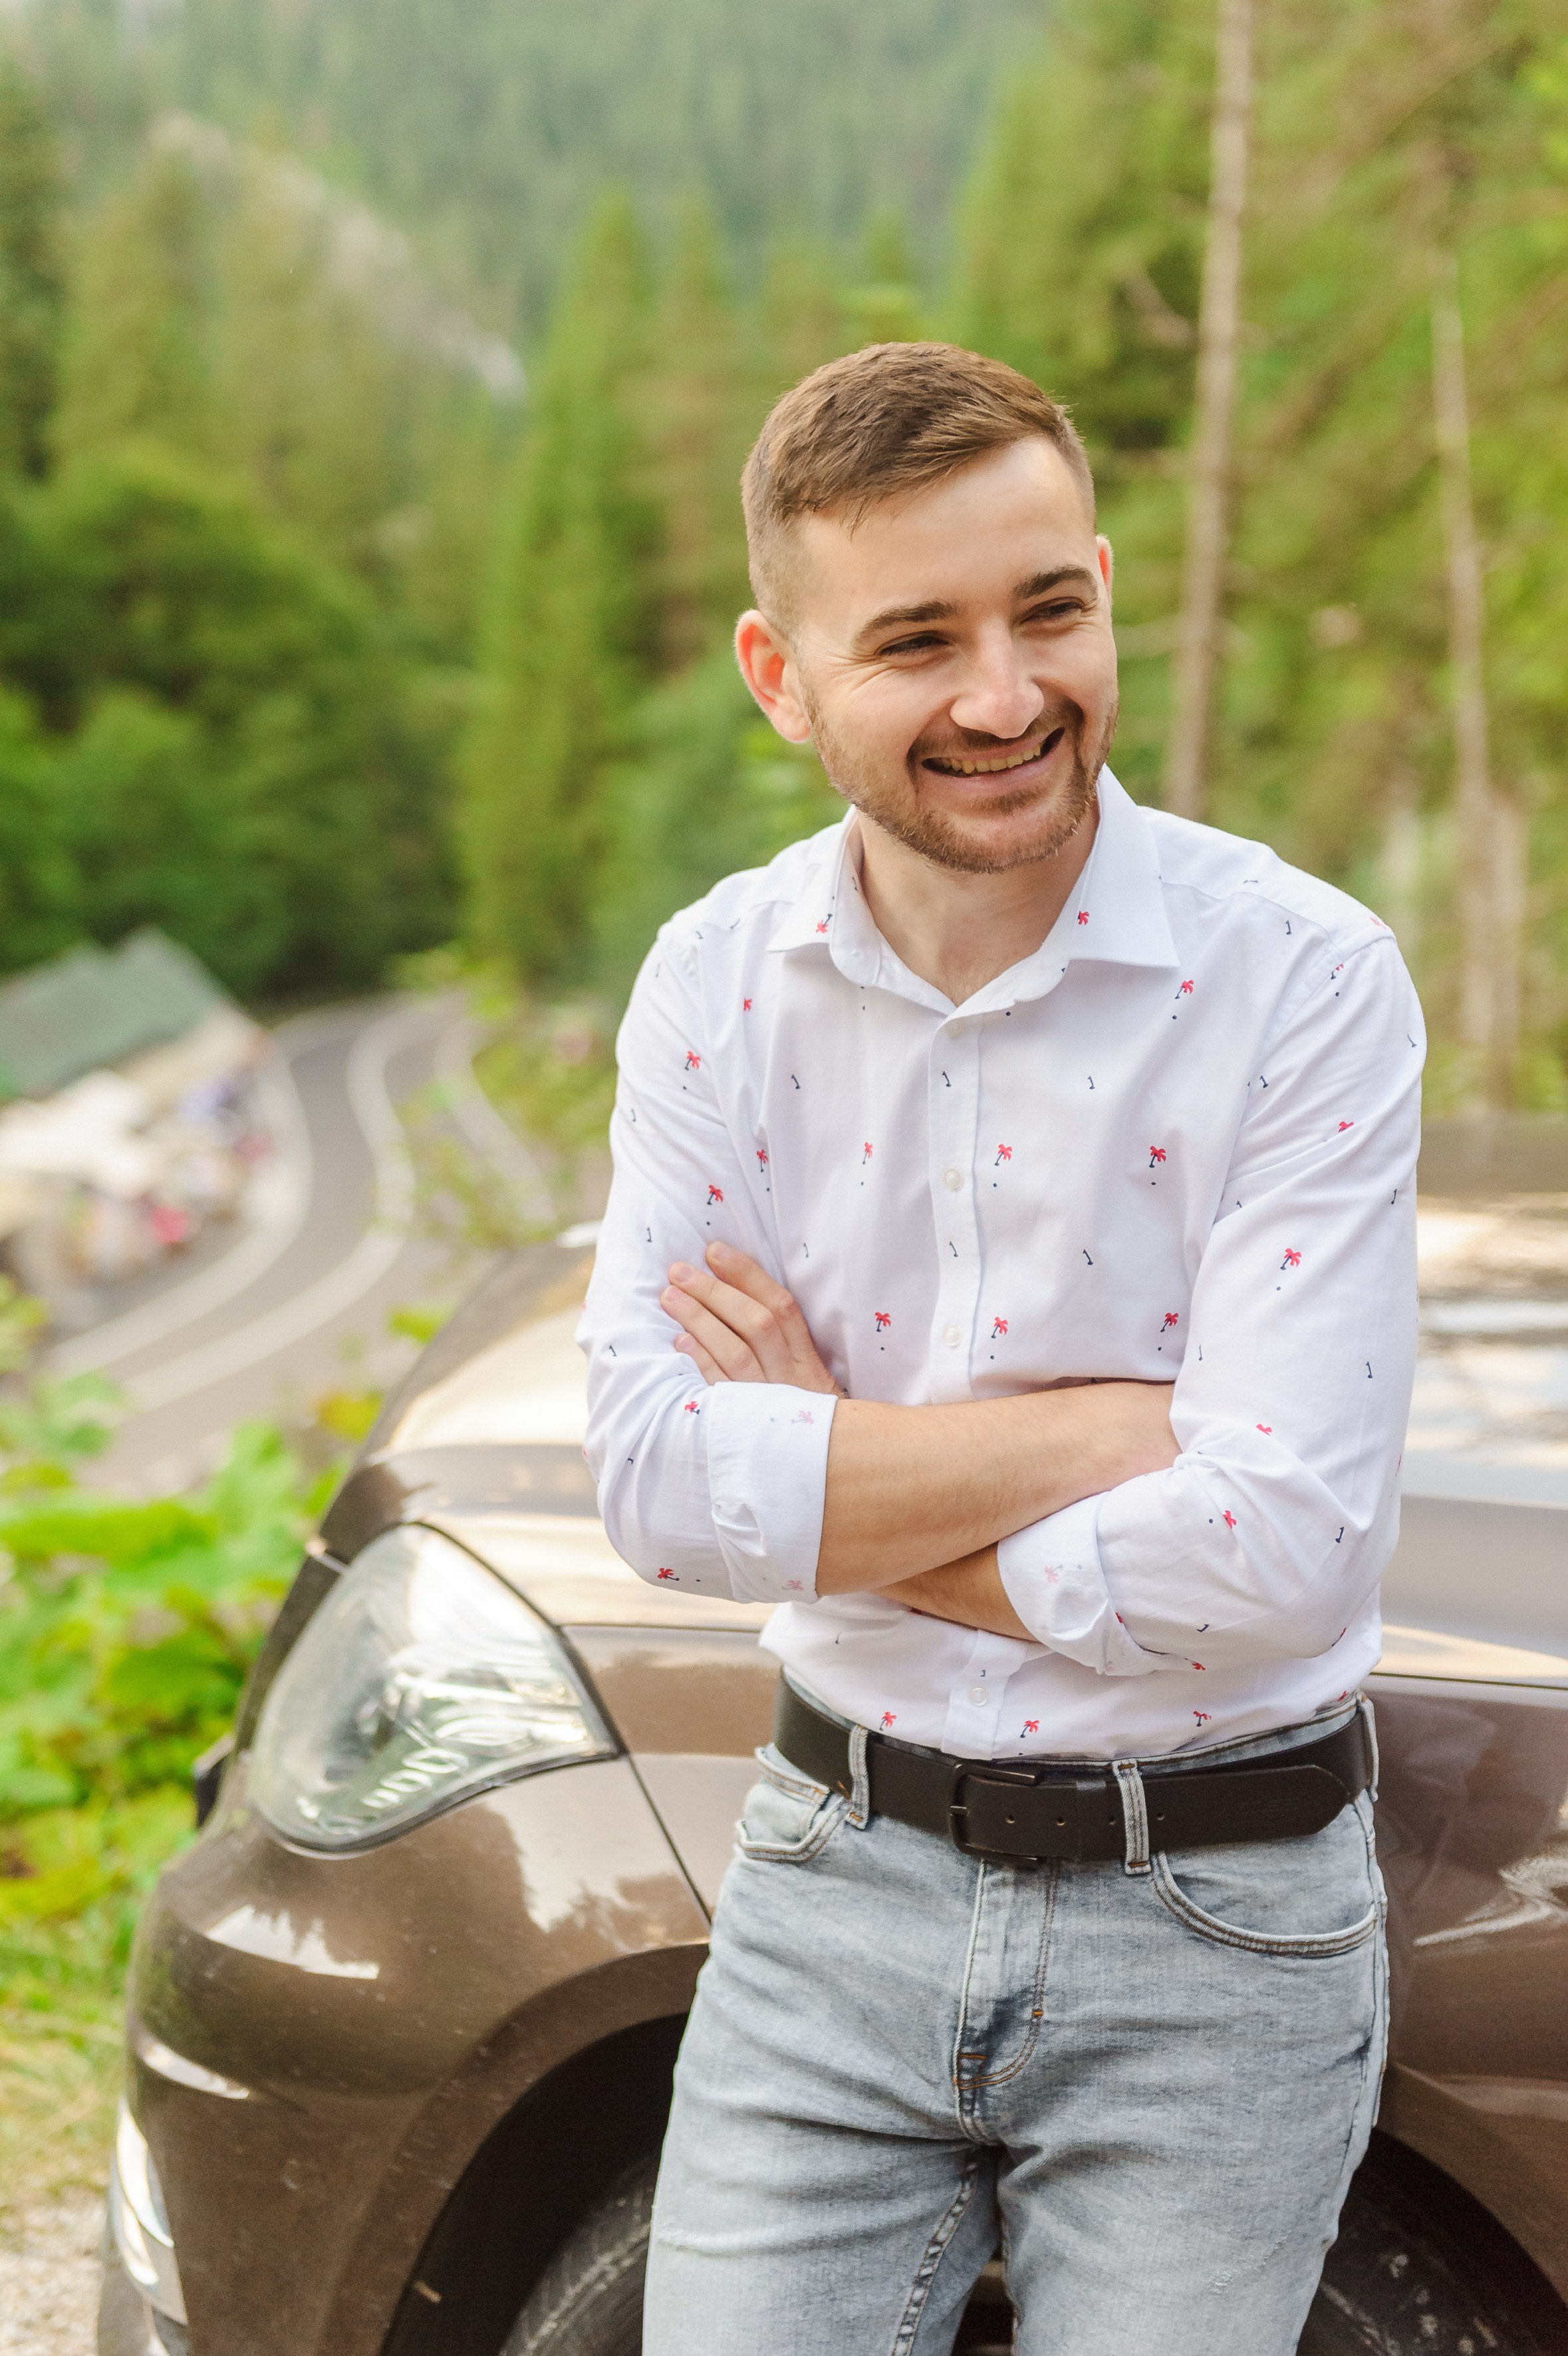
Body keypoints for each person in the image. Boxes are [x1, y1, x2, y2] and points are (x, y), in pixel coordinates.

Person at [578, 341, 1423, 2356]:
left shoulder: (1304, 980)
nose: (1005, 695)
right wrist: (1107, 1442)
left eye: (1050, 609)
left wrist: (830, 1472)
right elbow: (654, 1487)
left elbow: (1282, 1548)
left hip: (1223, 1918)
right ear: (782, 680)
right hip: (824, 1887)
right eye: (917, 640)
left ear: (1109, 588)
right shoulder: (714, 983)